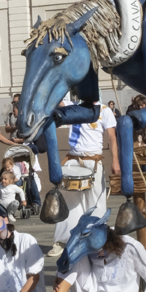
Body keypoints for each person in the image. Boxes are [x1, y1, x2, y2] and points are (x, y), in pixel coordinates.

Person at [44, 208, 146, 292]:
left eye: (98, 252)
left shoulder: (131, 247)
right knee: (74, 257)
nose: (96, 256)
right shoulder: (89, 242)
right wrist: (59, 276)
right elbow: (69, 258)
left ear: (110, 242)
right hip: (92, 291)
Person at [49, 98, 119, 259]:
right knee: (67, 202)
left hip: (93, 160)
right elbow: (57, 100)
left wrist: (115, 160)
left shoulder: (104, 110)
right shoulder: (73, 107)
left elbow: (112, 137)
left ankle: (97, 239)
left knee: (95, 201)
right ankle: (62, 241)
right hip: (73, 159)